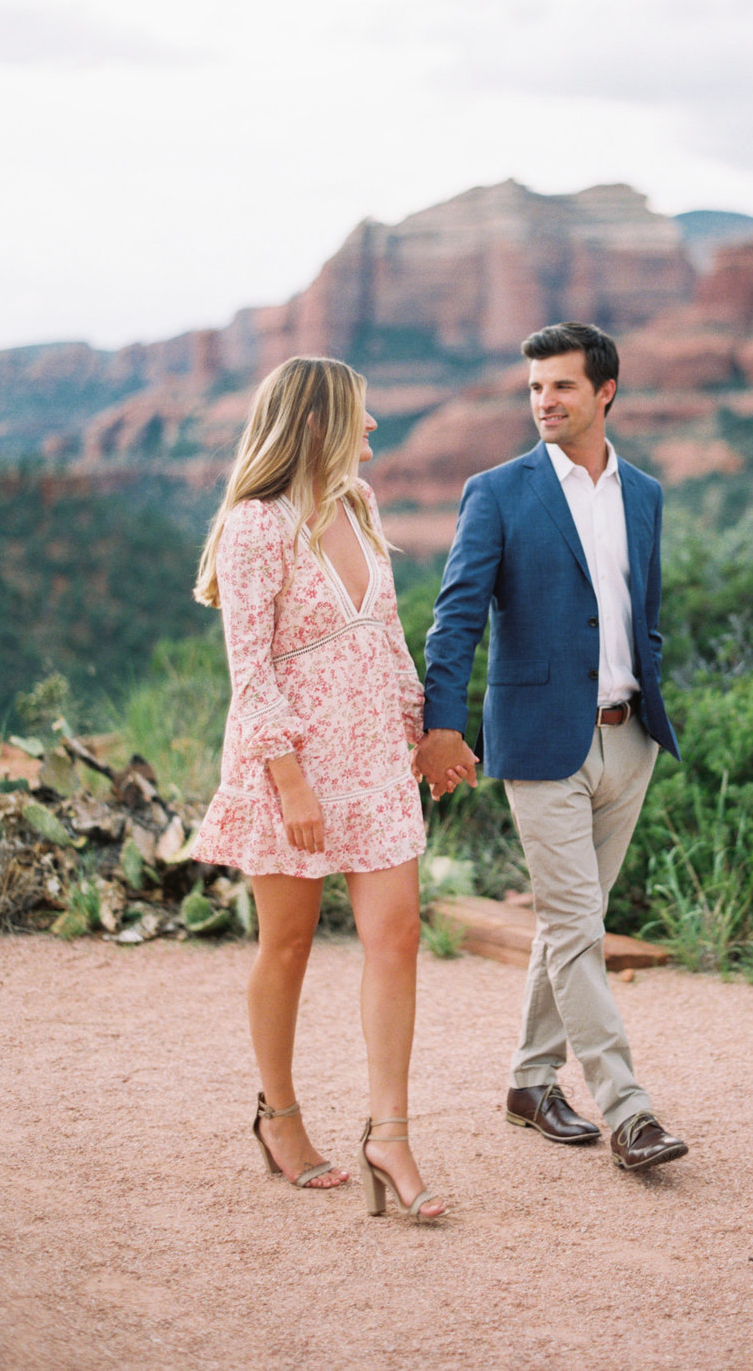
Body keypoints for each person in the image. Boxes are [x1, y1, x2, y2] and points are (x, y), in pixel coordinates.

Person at [412, 322, 689, 1171]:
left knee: (573, 925)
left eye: (561, 386)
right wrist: (439, 725)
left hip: (628, 739)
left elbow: (642, 615)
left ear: (605, 392)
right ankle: (629, 1110)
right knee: (576, 926)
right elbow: (455, 617)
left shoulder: (643, 494)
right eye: (535, 388)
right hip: (539, 745)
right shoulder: (497, 491)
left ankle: (531, 1081)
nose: (544, 402)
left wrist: (646, 689)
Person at [192, 355, 450, 1219]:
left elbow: (387, 635)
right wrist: (290, 780)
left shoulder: (360, 504)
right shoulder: (255, 526)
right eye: (360, 414)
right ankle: (279, 1114)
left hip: (375, 758)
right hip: (289, 765)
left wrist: (423, 732)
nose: (373, 428)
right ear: (316, 421)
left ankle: (391, 1135)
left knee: (397, 936)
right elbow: (250, 670)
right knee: (289, 944)